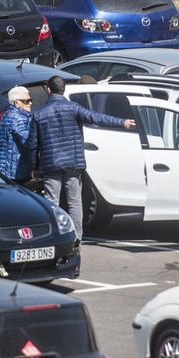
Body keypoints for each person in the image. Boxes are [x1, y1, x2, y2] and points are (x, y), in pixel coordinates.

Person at [28, 76, 135, 240]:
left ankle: (55, 236)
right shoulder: (73, 108)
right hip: (73, 163)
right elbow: (96, 117)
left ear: (48, 90)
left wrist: (34, 167)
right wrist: (122, 122)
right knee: (75, 202)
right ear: (63, 89)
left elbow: (33, 144)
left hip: (51, 165)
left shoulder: (39, 113)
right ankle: (77, 237)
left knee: (51, 203)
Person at [0, 86, 33, 184]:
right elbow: (28, 141)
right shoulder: (18, 118)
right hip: (14, 169)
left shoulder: (9, 114)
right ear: (17, 102)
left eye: (30, 100)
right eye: (26, 101)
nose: (30, 103)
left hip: (4, 167)